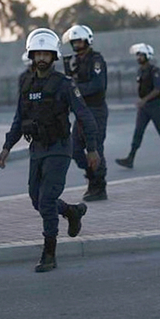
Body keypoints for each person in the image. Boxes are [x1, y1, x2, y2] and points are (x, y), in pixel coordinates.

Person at [0, 28, 100, 273]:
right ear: (32, 56)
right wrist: (7, 146)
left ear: (53, 56)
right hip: (37, 148)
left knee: (46, 200)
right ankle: (71, 211)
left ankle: (49, 253)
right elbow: (19, 118)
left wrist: (92, 149)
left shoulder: (64, 85)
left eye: (46, 54)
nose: (41, 58)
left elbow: (85, 116)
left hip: (59, 148)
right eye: (37, 53)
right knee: (37, 199)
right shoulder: (26, 83)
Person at [62, 24, 108, 201]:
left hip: (96, 109)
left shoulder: (96, 60)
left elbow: (98, 85)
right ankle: (91, 177)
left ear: (87, 41)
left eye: (79, 41)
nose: (76, 45)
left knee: (95, 148)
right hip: (82, 110)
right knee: (75, 149)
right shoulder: (76, 61)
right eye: (74, 42)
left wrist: (75, 89)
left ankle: (99, 186)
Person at [115, 44, 160, 169]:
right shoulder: (140, 71)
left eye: (141, 55)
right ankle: (130, 158)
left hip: (155, 106)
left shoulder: (154, 71)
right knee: (138, 132)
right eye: (137, 55)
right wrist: (142, 101)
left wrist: (144, 100)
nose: (138, 57)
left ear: (147, 56)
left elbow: (157, 89)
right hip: (144, 107)